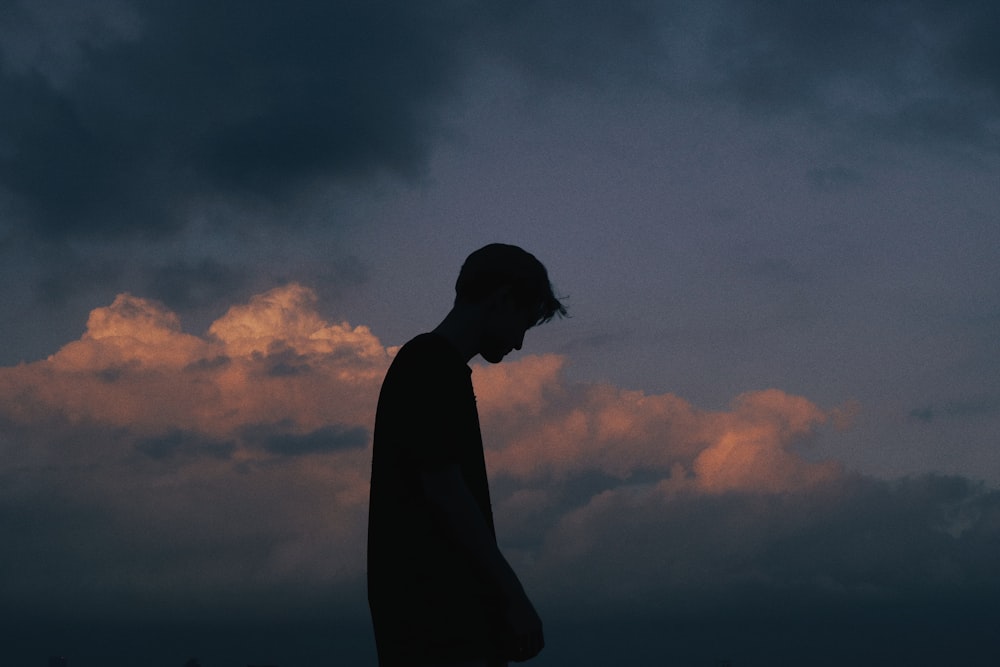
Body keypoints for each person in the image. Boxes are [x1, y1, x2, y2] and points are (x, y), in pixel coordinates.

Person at [367, 243, 567, 667]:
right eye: (523, 325)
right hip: (437, 620)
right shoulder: (430, 365)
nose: (519, 344)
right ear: (502, 300)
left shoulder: (433, 366)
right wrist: (514, 597)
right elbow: (445, 490)